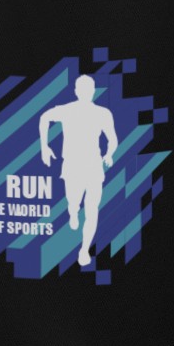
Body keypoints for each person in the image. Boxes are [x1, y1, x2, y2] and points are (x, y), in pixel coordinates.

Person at [39, 75, 118, 266]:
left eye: (88, 90)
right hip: (72, 165)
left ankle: (84, 250)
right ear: (76, 92)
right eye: (82, 90)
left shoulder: (103, 113)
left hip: (93, 166)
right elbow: (44, 118)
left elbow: (113, 139)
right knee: (73, 201)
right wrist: (44, 147)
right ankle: (73, 212)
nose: (85, 93)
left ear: (93, 91)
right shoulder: (67, 110)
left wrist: (109, 154)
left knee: (92, 209)